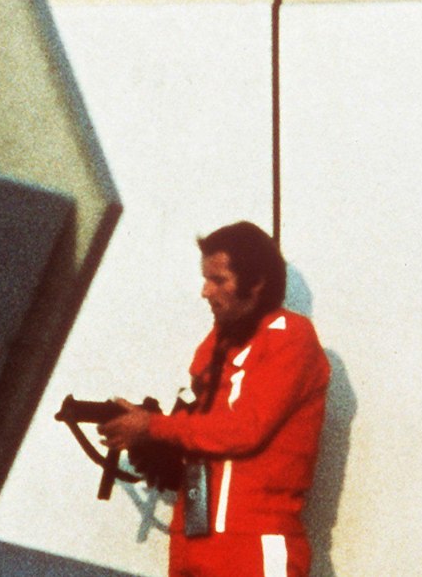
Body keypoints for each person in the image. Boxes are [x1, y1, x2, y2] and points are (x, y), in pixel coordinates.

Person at [101, 221, 330, 577]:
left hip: (252, 544)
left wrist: (154, 427)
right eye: (205, 279)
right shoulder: (219, 344)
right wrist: (147, 433)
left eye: (218, 280)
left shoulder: (290, 336)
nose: (206, 292)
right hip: (193, 538)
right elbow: (200, 429)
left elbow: (244, 429)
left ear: (256, 283)